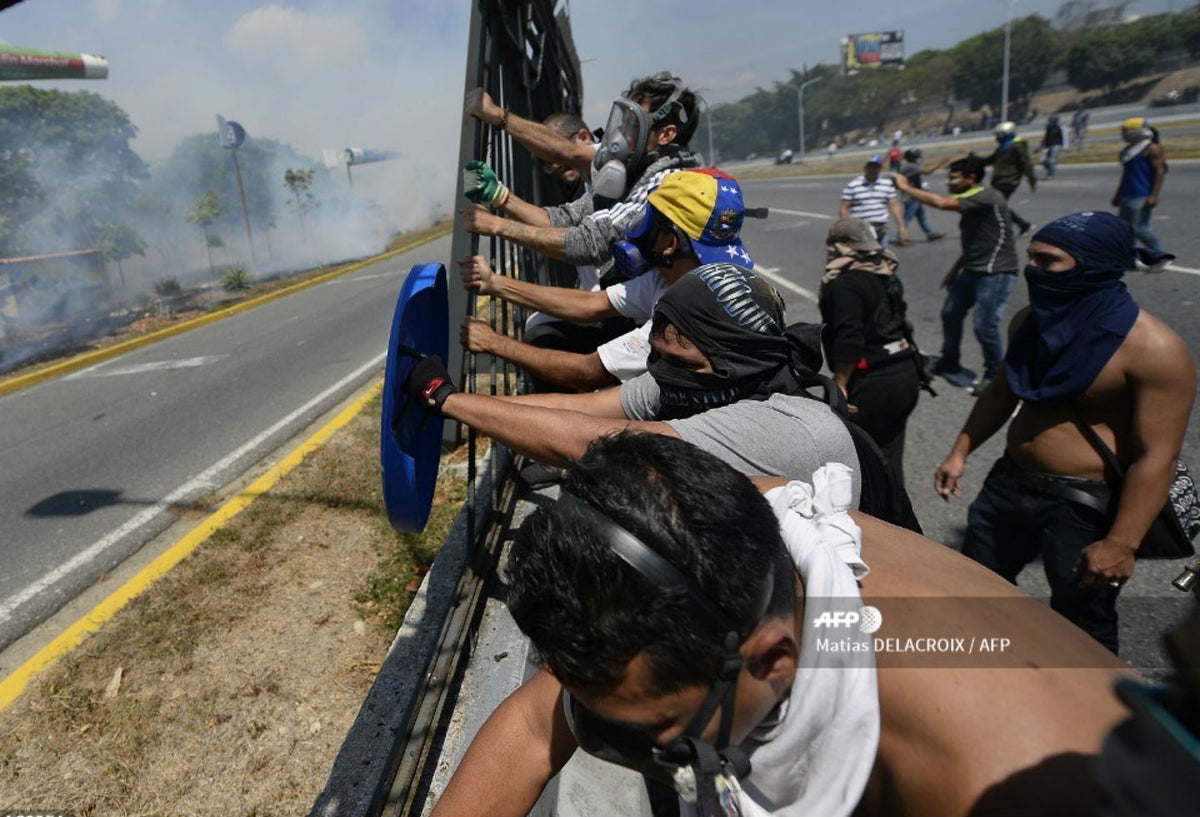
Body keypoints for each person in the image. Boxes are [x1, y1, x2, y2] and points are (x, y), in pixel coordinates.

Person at [429, 432, 1134, 817]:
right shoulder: (718, 553)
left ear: (774, 658)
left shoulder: (987, 780)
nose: (620, 744)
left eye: (661, 737)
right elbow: (532, 724)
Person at [934, 211, 1195, 654]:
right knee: (975, 594)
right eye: (1031, 257)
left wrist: (1120, 542)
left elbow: (1158, 457)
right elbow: (1000, 394)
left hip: (1081, 508)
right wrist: (960, 451)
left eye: (1048, 260)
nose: (1031, 269)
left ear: (1093, 266)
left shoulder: (1154, 348)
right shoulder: (1028, 322)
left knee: (1081, 629)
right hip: (1008, 485)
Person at [409, 262, 861, 496]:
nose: (664, 372)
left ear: (733, 361)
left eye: (679, 358)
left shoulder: (774, 427)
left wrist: (444, 398)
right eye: (659, 355)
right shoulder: (685, 377)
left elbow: (595, 442)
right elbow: (575, 409)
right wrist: (465, 399)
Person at [458, 169, 754, 392]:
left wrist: (493, 342)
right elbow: (591, 304)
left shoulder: (687, 312)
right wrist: (495, 283)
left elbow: (586, 372)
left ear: (669, 242)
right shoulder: (676, 277)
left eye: (650, 222)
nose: (640, 230)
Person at [460, 72, 703, 270]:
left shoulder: (666, 183)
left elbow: (588, 243)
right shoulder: (635, 169)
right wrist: (500, 196)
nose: (621, 133)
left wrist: (496, 226)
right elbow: (564, 219)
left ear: (666, 135)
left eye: (632, 124)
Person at [892, 155, 1018, 396]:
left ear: (972, 179)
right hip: (973, 269)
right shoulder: (973, 199)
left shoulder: (986, 196)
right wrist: (953, 271)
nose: (949, 182)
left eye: (954, 178)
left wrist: (907, 188)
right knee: (950, 313)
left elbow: (941, 203)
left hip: (996, 271)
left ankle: (995, 375)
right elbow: (976, 244)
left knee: (984, 325)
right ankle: (950, 360)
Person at [819, 218, 924, 492]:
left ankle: (871, 522)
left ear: (841, 247)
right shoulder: (885, 271)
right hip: (906, 372)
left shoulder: (845, 284)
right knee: (888, 453)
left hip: (874, 382)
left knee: (858, 459)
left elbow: (849, 337)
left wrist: (840, 383)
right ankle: (897, 518)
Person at [464, 87, 596, 181]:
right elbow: (555, 218)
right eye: (549, 163)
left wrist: (496, 114)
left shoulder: (610, 159)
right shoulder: (591, 189)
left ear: (583, 138)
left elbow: (566, 152)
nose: (556, 166)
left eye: (554, 157)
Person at [1113, 116, 1167, 256]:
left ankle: (1158, 255)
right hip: (1127, 194)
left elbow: (1160, 171)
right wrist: (1118, 194)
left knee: (1140, 229)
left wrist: (1154, 195)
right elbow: (1126, 175)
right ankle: (1127, 256)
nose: (1124, 134)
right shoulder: (1129, 151)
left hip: (1141, 194)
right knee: (1124, 228)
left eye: (1127, 131)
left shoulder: (1152, 148)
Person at [981, 121, 1037, 235]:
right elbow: (989, 160)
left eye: (999, 136)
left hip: (1009, 181)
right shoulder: (1002, 147)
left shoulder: (1016, 146)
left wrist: (1032, 180)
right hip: (999, 180)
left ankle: (1015, 227)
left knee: (996, 205)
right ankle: (1023, 225)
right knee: (998, 205)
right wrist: (973, 158)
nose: (997, 138)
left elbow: (1026, 164)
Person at [839, 155, 908, 248]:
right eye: (870, 166)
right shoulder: (853, 185)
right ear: (865, 168)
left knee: (884, 257)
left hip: (880, 228)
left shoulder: (887, 184)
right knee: (863, 257)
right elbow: (844, 207)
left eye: (876, 167)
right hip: (860, 229)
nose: (873, 169)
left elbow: (894, 205)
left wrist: (901, 226)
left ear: (880, 168)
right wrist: (844, 228)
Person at [896, 147, 946, 242]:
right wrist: (941, 163)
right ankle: (901, 236)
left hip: (915, 196)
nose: (919, 158)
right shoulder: (910, 166)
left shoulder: (910, 165)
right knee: (907, 218)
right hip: (911, 196)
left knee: (921, 217)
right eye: (917, 156)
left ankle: (930, 234)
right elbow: (927, 171)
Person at [1040, 114, 1067, 179]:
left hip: (1056, 145)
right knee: (1043, 160)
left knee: (1051, 160)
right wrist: (1041, 146)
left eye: (1050, 120)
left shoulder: (1060, 127)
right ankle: (1050, 171)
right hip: (1048, 145)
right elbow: (1046, 137)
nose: (1049, 121)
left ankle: (1051, 175)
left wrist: (1065, 146)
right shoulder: (1048, 127)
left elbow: (1064, 137)